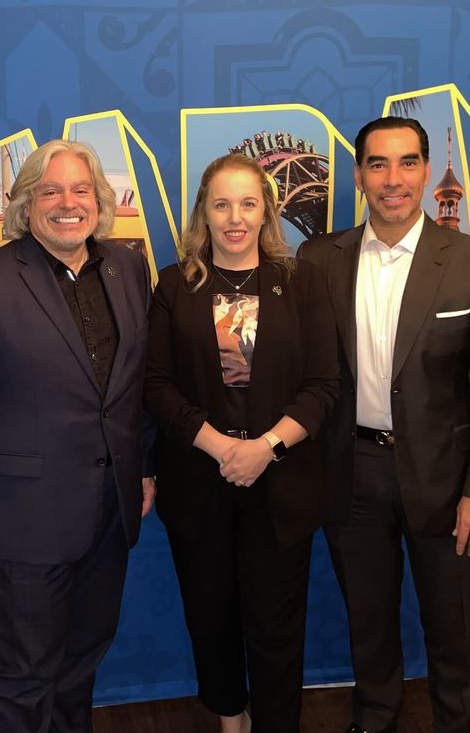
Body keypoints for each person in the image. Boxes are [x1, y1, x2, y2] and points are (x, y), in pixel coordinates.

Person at [297, 116, 470, 733]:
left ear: (426, 172)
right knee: (367, 621)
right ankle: (375, 718)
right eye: (378, 164)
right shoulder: (319, 259)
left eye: (406, 163)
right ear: (358, 176)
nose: (392, 180)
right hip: (352, 473)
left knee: (452, 627)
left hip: (448, 480)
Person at [0, 139, 156, 733]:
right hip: (25, 520)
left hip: (110, 511)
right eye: (50, 191)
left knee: (82, 659)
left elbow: (138, 384)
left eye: (81, 190)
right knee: (24, 671)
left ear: (99, 201)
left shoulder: (127, 267)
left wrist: (146, 468)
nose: (67, 203)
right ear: (26, 203)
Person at [144, 153, 340, 733]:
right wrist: (221, 447)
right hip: (200, 482)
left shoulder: (302, 282)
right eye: (221, 203)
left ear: (266, 211)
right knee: (212, 615)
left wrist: (265, 449)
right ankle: (231, 719)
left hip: (280, 484)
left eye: (247, 203)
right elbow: (157, 385)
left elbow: (323, 386)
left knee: (278, 624)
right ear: (203, 211)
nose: (234, 217)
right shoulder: (174, 286)